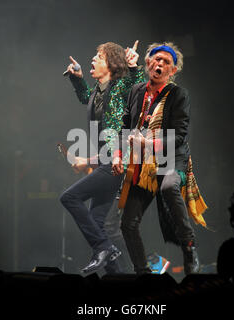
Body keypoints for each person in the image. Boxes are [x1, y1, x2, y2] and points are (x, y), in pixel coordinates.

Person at [112, 42, 207, 275]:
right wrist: (117, 155)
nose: (160, 64)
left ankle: (189, 247)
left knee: (168, 186)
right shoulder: (137, 91)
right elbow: (125, 125)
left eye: (166, 62)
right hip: (144, 163)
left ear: (172, 71)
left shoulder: (178, 95)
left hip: (172, 158)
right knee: (127, 223)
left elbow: (180, 136)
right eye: (157, 59)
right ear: (148, 63)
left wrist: (147, 142)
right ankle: (143, 273)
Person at [60, 41, 145, 274]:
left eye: (99, 56)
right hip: (108, 161)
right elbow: (85, 97)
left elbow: (134, 85)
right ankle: (117, 277)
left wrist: (134, 66)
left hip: (118, 163)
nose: (93, 60)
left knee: (69, 198)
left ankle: (104, 248)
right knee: (97, 222)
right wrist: (77, 78)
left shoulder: (119, 88)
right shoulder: (100, 91)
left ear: (112, 64)